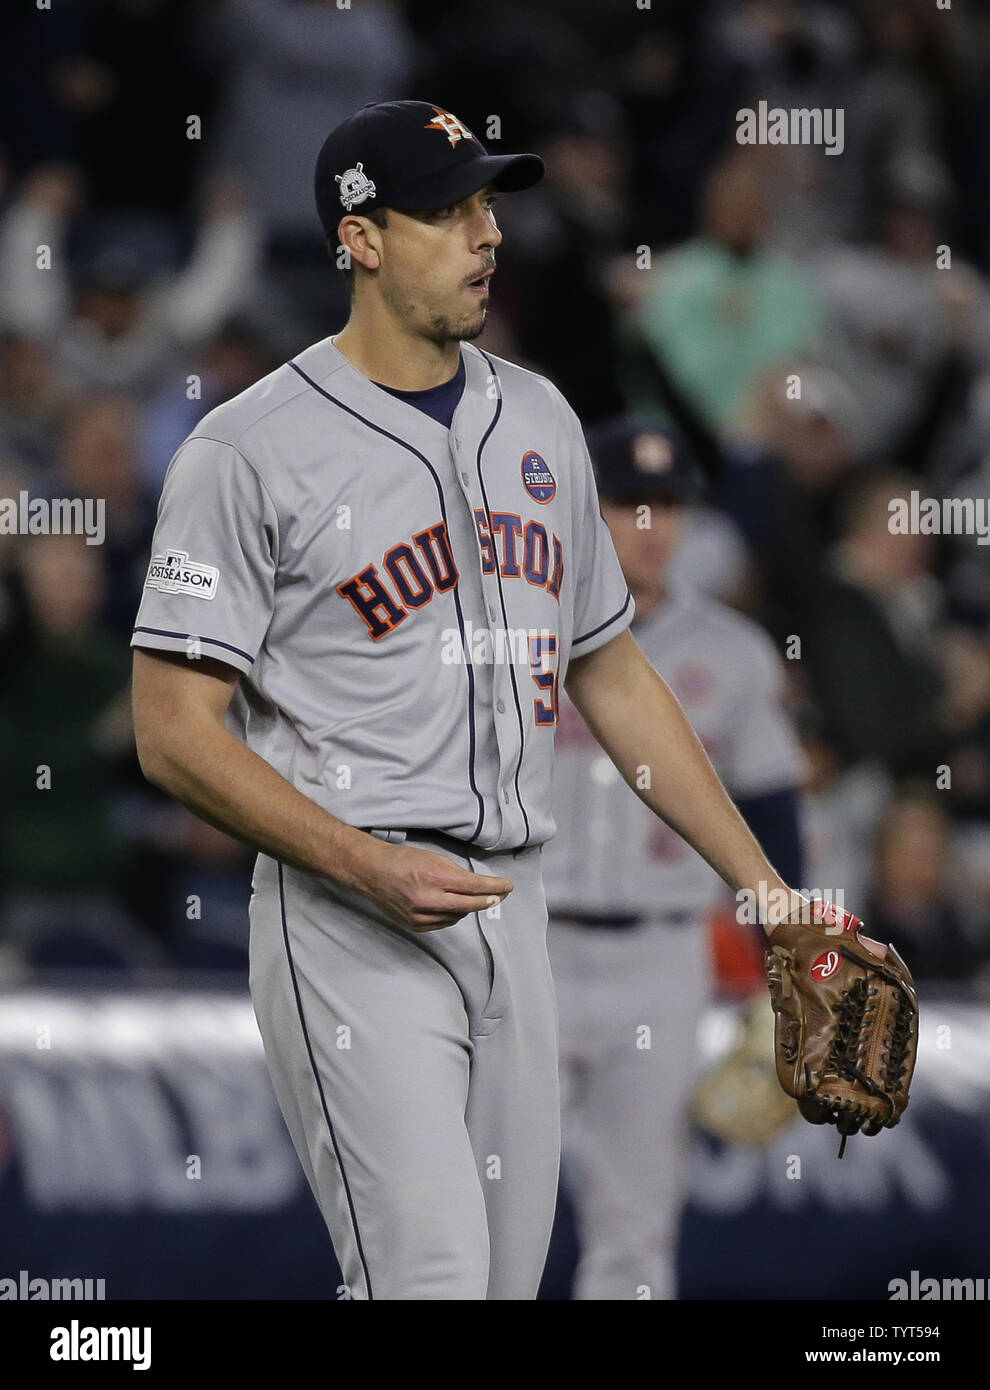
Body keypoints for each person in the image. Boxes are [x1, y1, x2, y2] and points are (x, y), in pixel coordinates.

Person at [131, 100, 818, 1302]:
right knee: (428, 1278)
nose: (486, 233)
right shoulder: (245, 453)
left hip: (518, 909)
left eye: (489, 203)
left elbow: (608, 666)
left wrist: (767, 891)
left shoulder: (540, 415)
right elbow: (171, 732)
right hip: (351, 915)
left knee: (503, 1285)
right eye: (447, 211)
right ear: (360, 238)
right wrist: (358, 862)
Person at [542, 417, 806, 1300]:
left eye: (668, 505)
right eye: (628, 504)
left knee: (635, 1227)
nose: (651, 526)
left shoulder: (731, 651)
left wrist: (789, 962)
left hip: (663, 953)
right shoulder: (521, 631)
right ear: (588, 511)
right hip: (524, 944)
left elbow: (773, 808)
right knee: (483, 1201)